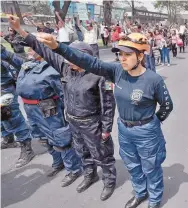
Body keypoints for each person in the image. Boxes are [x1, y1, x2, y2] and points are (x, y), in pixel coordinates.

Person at [34, 30, 173, 208]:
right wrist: (56, 46)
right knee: (132, 165)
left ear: (140, 56)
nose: (122, 58)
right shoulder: (116, 72)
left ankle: (154, 199)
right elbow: (88, 61)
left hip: (146, 131)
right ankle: (140, 192)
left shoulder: (153, 79)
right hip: (124, 129)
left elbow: (167, 106)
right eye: (120, 54)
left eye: (128, 54)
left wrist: (149, 123)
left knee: (151, 167)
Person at [9, 16, 117, 198]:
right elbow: (44, 50)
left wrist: (106, 129)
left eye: (71, 57)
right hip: (73, 121)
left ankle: (109, 181)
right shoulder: (66, 69)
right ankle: (89, 175)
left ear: (84, 58)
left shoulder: (100, 75)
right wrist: (20, 30)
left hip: (92, 123)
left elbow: (108, 105)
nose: (66, 60)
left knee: (102, 155)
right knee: (82, 151)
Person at [3, 46, 82, 186]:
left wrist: (70, 112)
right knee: (43, 138)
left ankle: (73, 169)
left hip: (48, 108)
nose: (28, 50)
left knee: (60, 139)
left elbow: (64, 93)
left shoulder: (52, 69)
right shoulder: (27, 64)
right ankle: (58, 163)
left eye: (32, 48)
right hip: (30, 109)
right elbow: (8, 56)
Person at [1, 45, 34, 168]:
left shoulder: (3, 54)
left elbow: (20, 65)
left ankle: (27, 149)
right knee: (1, 120)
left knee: (12, 119)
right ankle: (8, 139)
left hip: (4, 89)